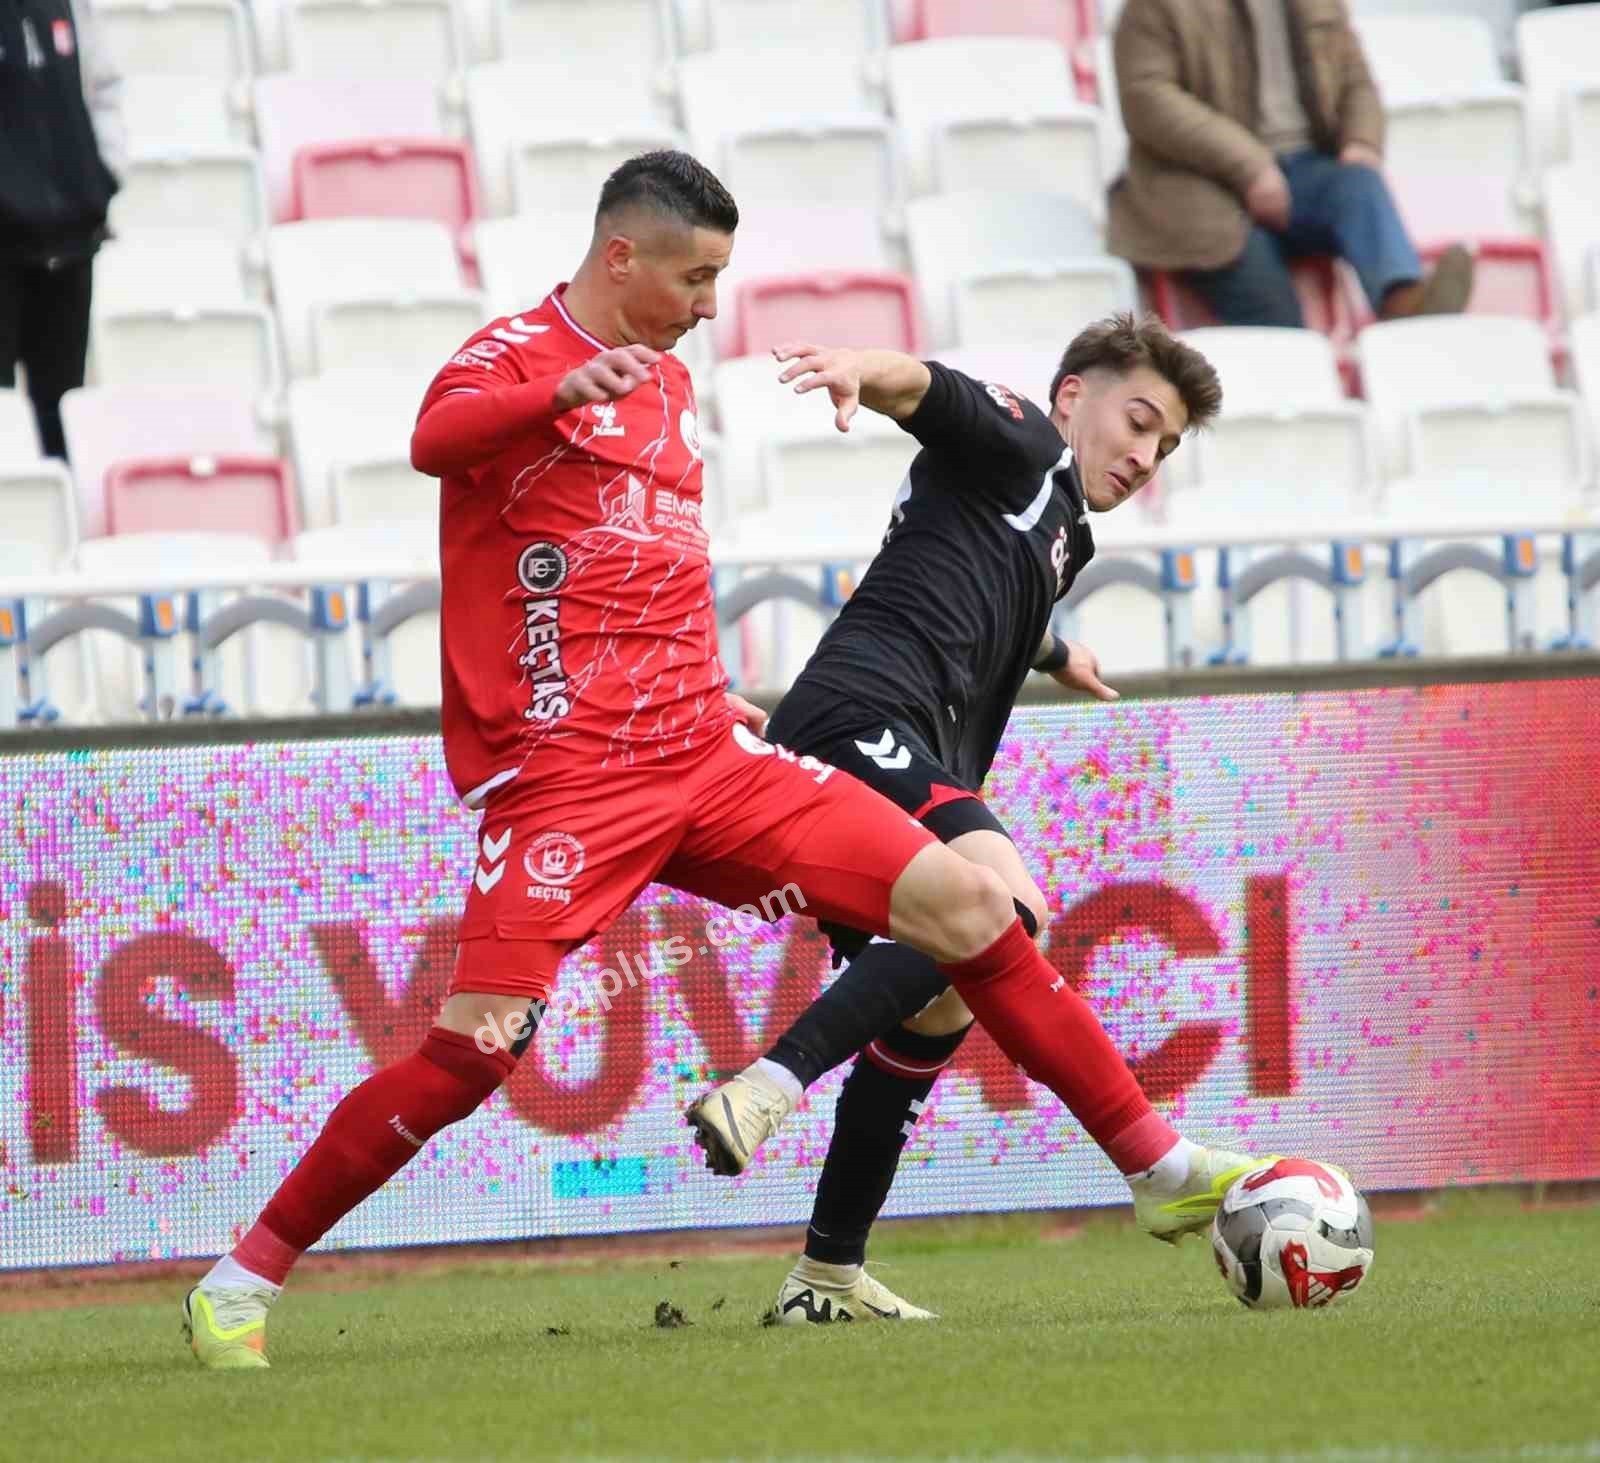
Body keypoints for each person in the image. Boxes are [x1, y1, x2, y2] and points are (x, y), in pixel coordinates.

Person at [180, 152, 1254, 1368]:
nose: (708, 303)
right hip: (571, 779)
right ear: (622, 254)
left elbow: (639, 557)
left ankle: (1154, 1166)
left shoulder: (670, 387)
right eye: (696, 276)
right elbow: (437, 440)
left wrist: (698, 676)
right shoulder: (512, 357)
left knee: (971, 902)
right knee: (473, 1051)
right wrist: (559, 392)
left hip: (704, 751)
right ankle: (239, 1279)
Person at [686, 315, 1257, 1325]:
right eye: (1136, 421)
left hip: (873, 730)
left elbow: (982, 571)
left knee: (941, 996)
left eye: (1163, 446)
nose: (1142, 455)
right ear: (1072, 396)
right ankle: (770, 1083)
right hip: (862, 716)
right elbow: (933, 394)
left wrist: (1051, 652)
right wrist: (865, 367)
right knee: (1003, 906)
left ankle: (826, 1275)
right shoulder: (1028, 442)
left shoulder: (1056, 524)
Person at [1107, 0, 1474, 328]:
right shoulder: (1151, 7)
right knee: (1276, 318)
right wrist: (1250, 167)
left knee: (1359, 185)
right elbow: (1146, 100)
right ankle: (1295, 374)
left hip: (1305, 170)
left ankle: (1406, 309)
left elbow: (1355, 77)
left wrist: (1362, 141)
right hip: (1198, 188)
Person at [0, 0, 122, 460]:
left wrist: (103, 175)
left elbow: (104, 88)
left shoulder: (73, 6)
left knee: (63, 417)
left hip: (69, 242)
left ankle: (60, 521)